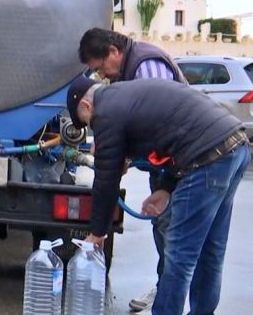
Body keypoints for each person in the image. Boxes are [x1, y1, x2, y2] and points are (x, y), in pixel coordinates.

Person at [66, 75, 249, 315]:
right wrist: (165, 188)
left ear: (87, 106)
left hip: (208, 159)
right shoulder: (126, 96)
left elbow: (106, 180)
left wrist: (97, 233)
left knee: (179, 256)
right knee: (211, 250)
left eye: (87, 122)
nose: (93, 128)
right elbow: (174, 134)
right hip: (235, 147)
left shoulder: (105, 113)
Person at [78, 27, 186, 313]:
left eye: (100, 68)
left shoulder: (146, 65)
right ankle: (166, 288)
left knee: (174, 232)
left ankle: (168, 295)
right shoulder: (128, 70)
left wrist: (119, 151)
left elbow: (162, 122)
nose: (102, 77)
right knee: (163, 226)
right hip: (167, 161)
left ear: (113, 51)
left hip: (182, 162)